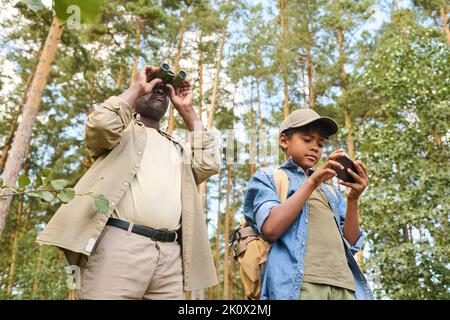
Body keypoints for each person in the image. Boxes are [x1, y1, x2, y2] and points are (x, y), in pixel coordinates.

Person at [37, 66, 220, 299]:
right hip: (119, 244)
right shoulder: (120, 132)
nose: (160, 92)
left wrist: (187, 109)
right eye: (154, 87)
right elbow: (101, 125)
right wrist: (137, 87)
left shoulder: (178, 147)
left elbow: (209, 164)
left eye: (164, 90)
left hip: (170, 257)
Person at [243, 109, 373, 300]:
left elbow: (351, 243)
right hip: (299, 286)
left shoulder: (330, 191)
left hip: (345, 286)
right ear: (284, 141)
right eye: (307, 139)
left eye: (320, 144)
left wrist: (353, 199)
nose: (315, 147)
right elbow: (270, 228)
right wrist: (311, 183)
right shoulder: (269, 178)